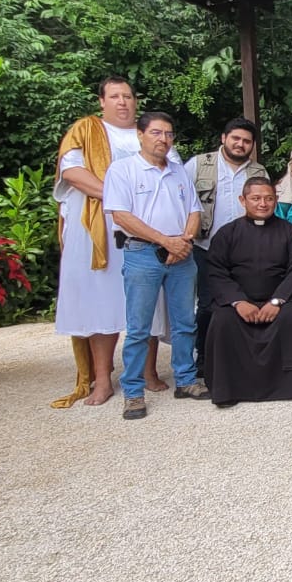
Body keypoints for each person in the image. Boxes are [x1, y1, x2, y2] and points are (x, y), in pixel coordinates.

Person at [51, 76, 167, 408]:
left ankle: (148, 372)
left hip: (146, 229)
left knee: (148, 300)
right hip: (98, 229)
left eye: (128, 96)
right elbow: (72, 173)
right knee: (102, 301)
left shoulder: (150, 132)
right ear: (101, 101)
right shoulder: (85, 130)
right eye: (115, 96)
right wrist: (118, 197)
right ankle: (101, 379)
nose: (122, 102)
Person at [102, 112, 209, 419]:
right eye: (157, 133)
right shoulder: (122, 170)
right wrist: (165, 241)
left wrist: (183, 241)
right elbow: (121, 216)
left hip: (181, 254)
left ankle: (186, 379)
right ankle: (133, 391)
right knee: (138, 327)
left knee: (185, 321)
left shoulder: (178, 173)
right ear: (140, 134)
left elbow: (194, 211)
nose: (164, 139)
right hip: (143, 253)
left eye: (169, 134)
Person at [203, 177, 292, 407]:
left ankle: (286, 387)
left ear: (276, 200)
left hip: (279, 299)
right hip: (240, 300)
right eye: (256, 198)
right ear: (243, 200)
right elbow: (216, 270)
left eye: (269, 198)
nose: (263, 203)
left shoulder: (290, 233)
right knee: (222, 319)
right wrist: (237, 301)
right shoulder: (227, 233)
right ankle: (229, 388)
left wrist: (276, 301)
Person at [185, 118, 267, 375]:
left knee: (247, 300)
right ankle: (205, 360)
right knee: (209, 304)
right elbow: (182, 201)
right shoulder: (198, 165)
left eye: (246, 141)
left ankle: (240, 358)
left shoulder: (258, 172)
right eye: (236, 139)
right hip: (205, 246)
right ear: (224, 138)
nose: (240, 144)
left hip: (246, 251)